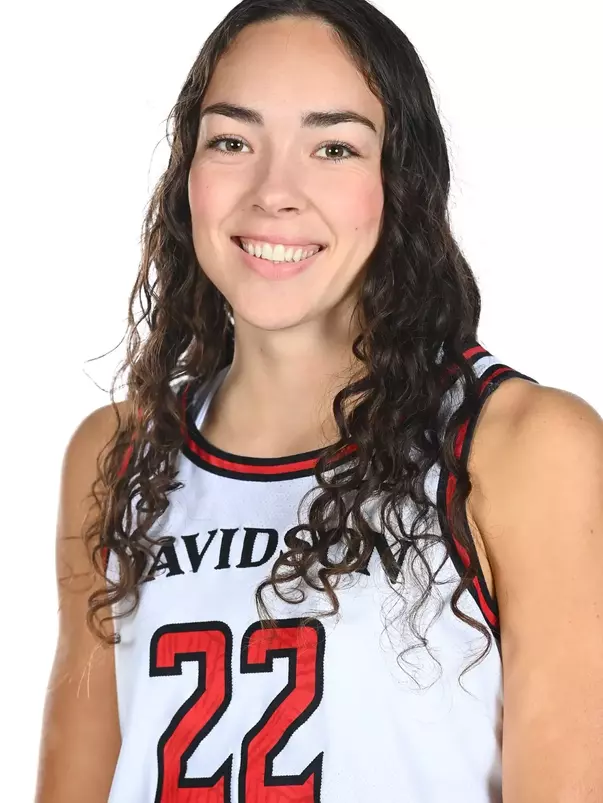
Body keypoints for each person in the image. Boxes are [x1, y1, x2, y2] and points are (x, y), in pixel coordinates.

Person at [35, 1, 603, 801]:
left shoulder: (519, 446)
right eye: (232, 141)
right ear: (186, 176)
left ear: (399, 181)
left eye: (332, 147)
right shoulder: (119, 452)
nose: (275, 192)